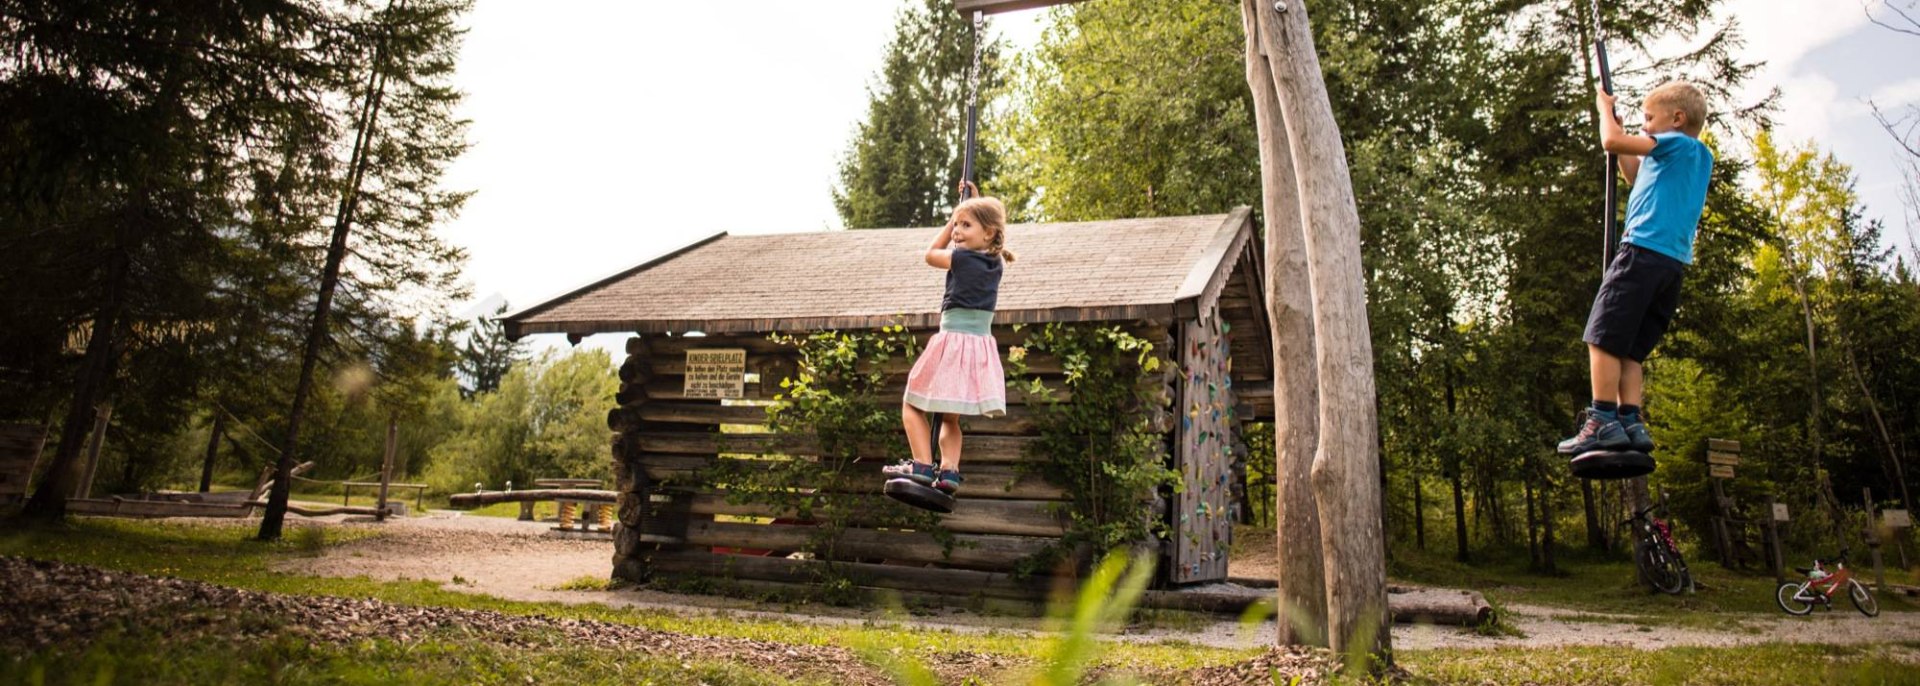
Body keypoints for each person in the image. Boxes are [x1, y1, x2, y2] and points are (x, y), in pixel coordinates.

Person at [1559, 80, 1714, 456]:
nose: (1644, 127)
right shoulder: (1699, 157)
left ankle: (1602, 420)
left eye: (1649, 119)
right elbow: (1633, 175)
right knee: (1630, 351)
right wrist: (1621, 124)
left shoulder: (1676, 143)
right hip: (1671, 266)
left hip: (1641, 252)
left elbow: (1611, 143)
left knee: (1601, 336)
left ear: (1677, 119)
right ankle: (1630, 421)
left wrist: (1602, 112)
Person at [883, 181, 1016, 497]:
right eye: (956, 225)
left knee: (912, 403)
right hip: (977, 347)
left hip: (953, 342)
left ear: (987, 233)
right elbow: (986, 224)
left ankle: (922, 465)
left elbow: (930, 255)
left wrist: (950, 218)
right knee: (949, 419)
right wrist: (971, 203)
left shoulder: (962, 259)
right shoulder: (995, 263)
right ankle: (950, 472)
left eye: (964, 226)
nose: (957, 231)